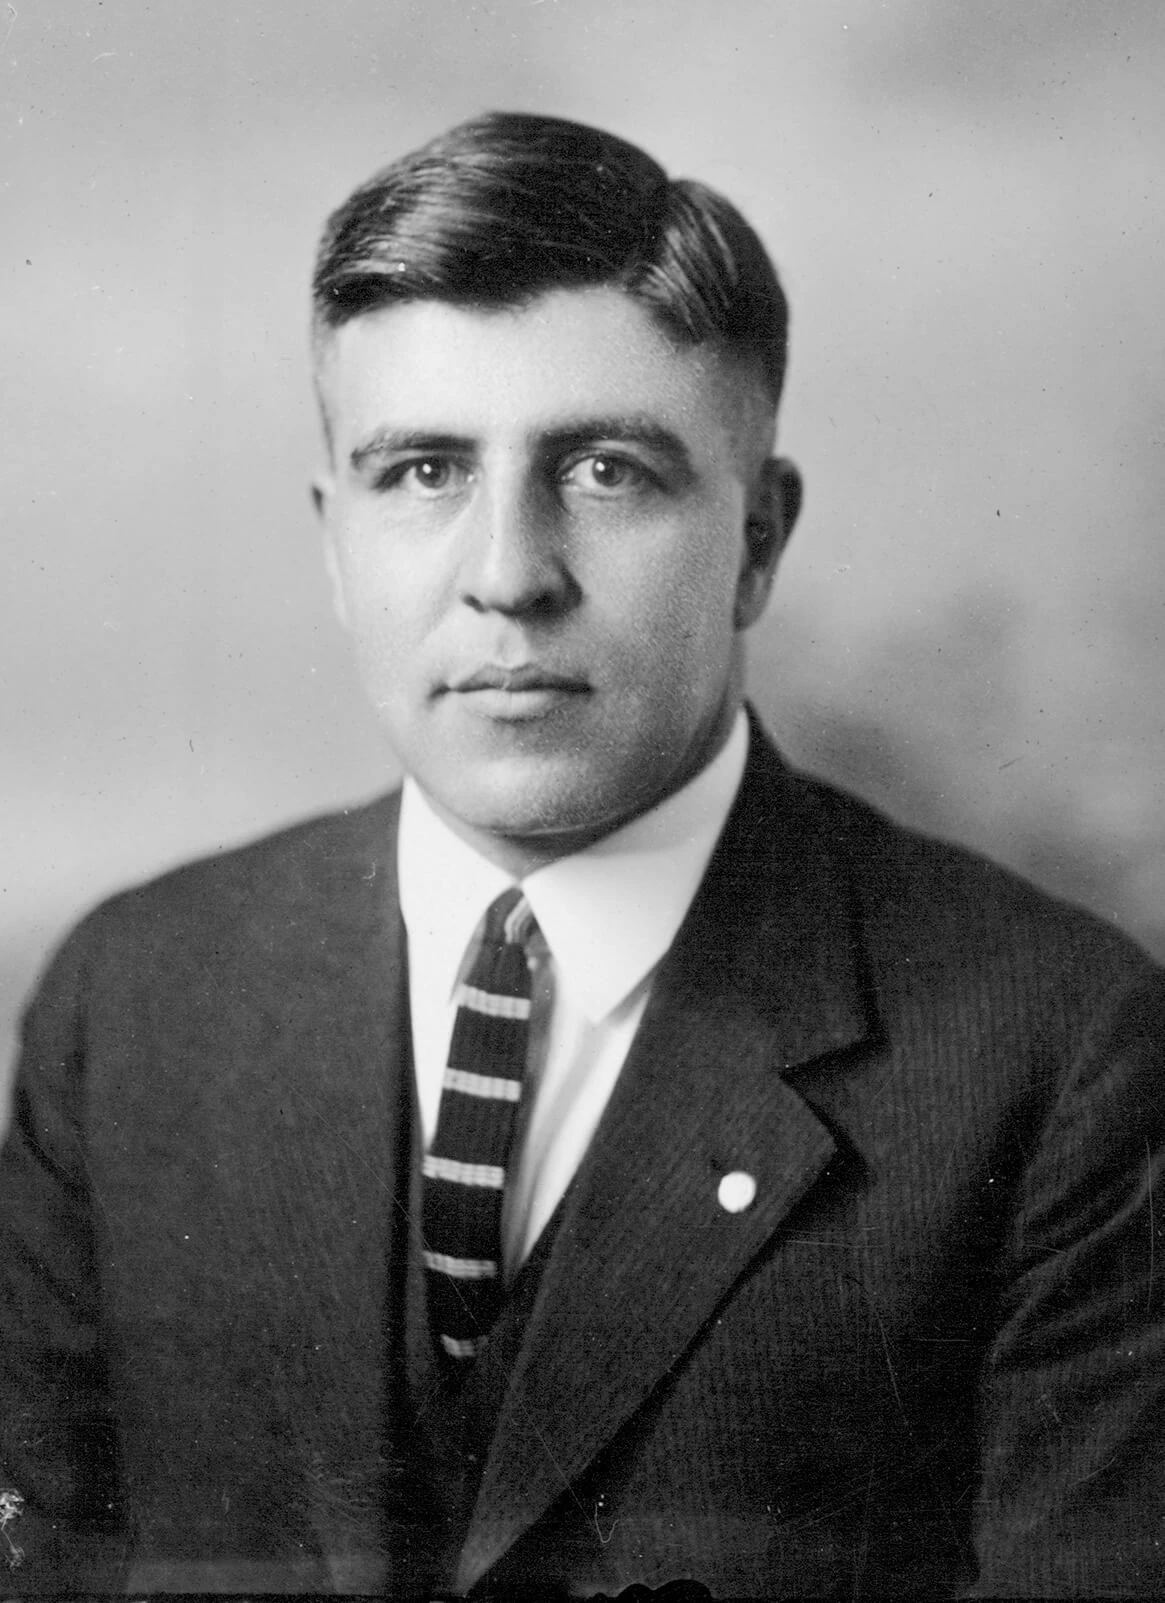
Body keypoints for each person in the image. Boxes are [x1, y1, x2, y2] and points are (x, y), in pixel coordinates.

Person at [1, 110, 1164, 1600]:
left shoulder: (1059, 1056)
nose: (507, 576)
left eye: (607, 471)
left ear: (758, 541)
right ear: (335, 542)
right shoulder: (130, 1003)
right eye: (423, 472)